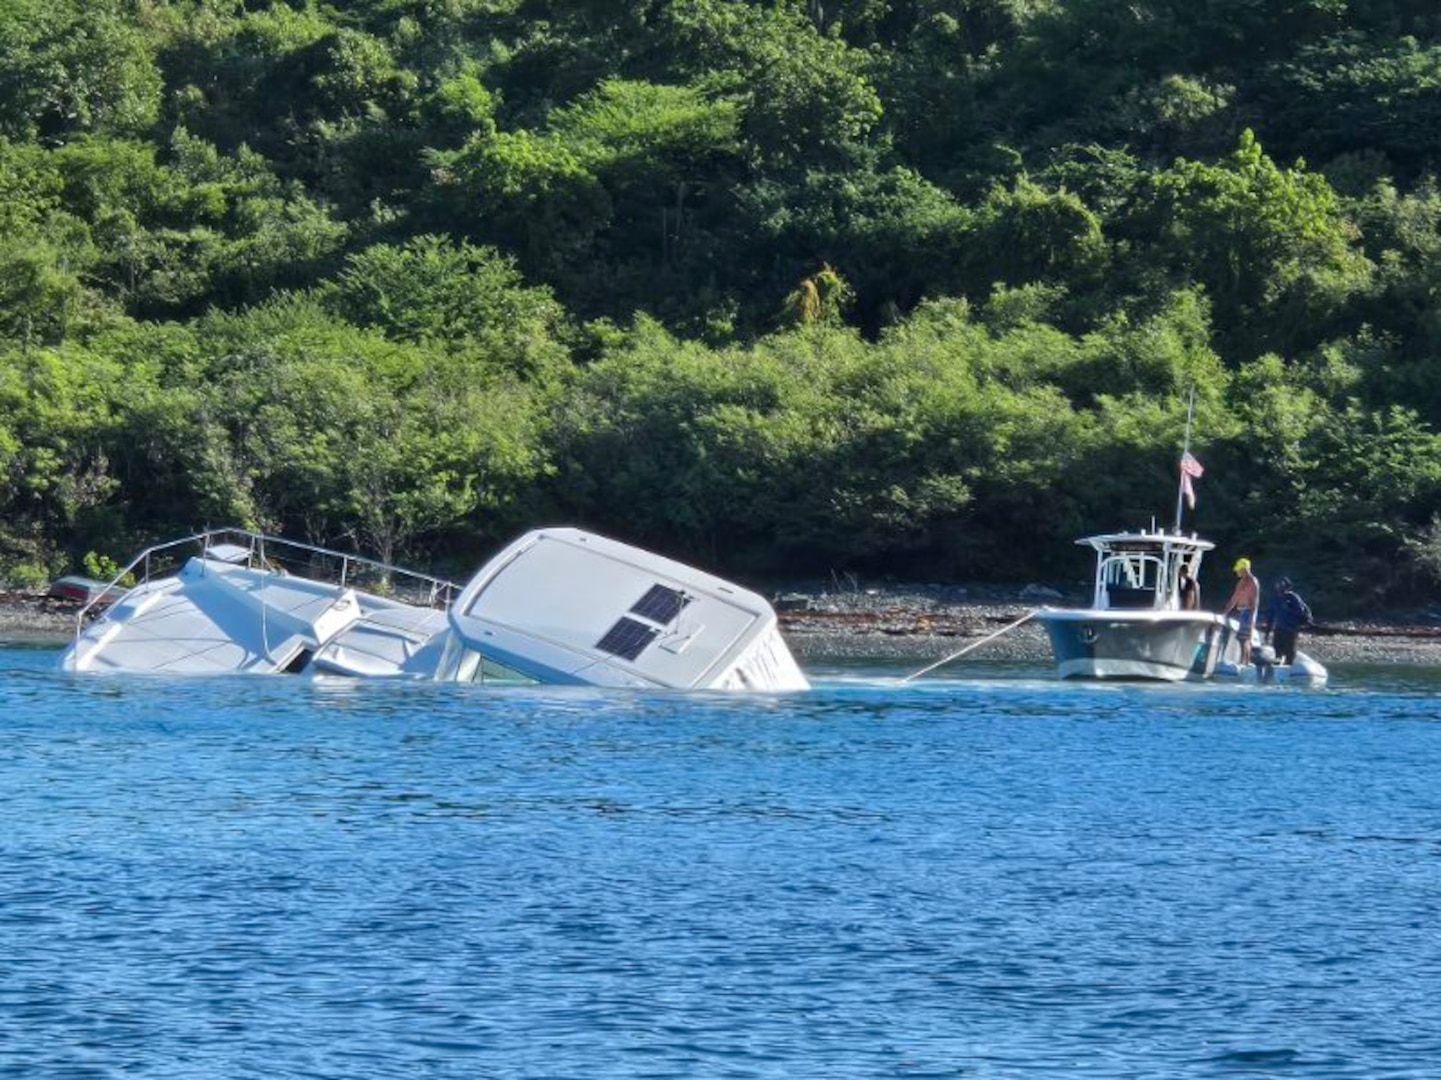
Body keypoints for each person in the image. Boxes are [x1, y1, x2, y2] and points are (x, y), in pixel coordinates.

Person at [1262, 577, 1313, 665]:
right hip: (1279, 628)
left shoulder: (1293, 597)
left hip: (1291, 628)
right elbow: (1270, 617)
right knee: (1277, 648)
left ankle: (1289, 666)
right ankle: (1278, 666)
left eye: (1281, 584)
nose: (1279, 587)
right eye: (1278, 584)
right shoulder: (1274, 599)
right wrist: (1267, 633)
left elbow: (1300, 611)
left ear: (1286, 586)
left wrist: (1288, 608)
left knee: (1289, 651)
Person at [1222, 557, 1260, 664]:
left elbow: (1254, 600)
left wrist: (1252, 617)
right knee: (1242, 638)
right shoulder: (1240, 583)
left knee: (1244, 638)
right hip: (1242, 611)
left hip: (1249, 612)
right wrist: (1225, 612)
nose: (1237, 572)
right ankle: (1244, 661)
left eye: (1239, 570)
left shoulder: (1253, 582)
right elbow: (1234, 599)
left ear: (1245, 569)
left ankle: (1245, 662)